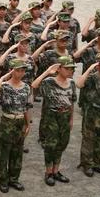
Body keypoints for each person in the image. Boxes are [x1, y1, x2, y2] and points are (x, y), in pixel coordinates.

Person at [32, 56, 77, 186]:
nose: (70, 71)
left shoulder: (71, 83)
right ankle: (48, 172)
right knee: (51, 145)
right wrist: (47, 71)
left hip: (65, 116)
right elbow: (34, 85)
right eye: (67, 68)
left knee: (62, 144)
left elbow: (72, 102)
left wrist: (71, 119)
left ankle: (56, 171)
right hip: (51, 117)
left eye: (72, 69)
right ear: (59, 68)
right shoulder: (49, 82)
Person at [0, 59, 32, 193]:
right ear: (12, 70)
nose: (20, 73)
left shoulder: (26, 87)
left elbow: (26, 107)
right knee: (4, 152)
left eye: (22, 70)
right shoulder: (4, 86)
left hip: (20, 121)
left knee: (17, 152)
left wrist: (28, 124)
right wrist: (3, 77)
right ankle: (3, 180)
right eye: (18, 70)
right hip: (7, 121)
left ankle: (14, 178)